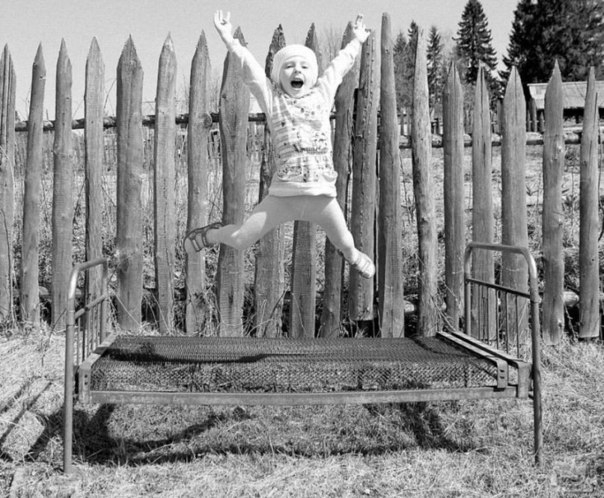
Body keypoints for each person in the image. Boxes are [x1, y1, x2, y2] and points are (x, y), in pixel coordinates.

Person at [184, 10, 375, 279]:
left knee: (344, 241)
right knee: (241, 239)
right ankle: (210, 235)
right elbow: (250, 69)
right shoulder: (273, 100)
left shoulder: (321, 95)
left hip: (322, 196)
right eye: (289, 66)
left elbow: (338, 67)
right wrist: (229, 38)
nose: (297, 70)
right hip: (283, 196)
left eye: (304, 66)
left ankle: (354, 256)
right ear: (278, 76)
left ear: (312, 75)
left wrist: (356, 41)